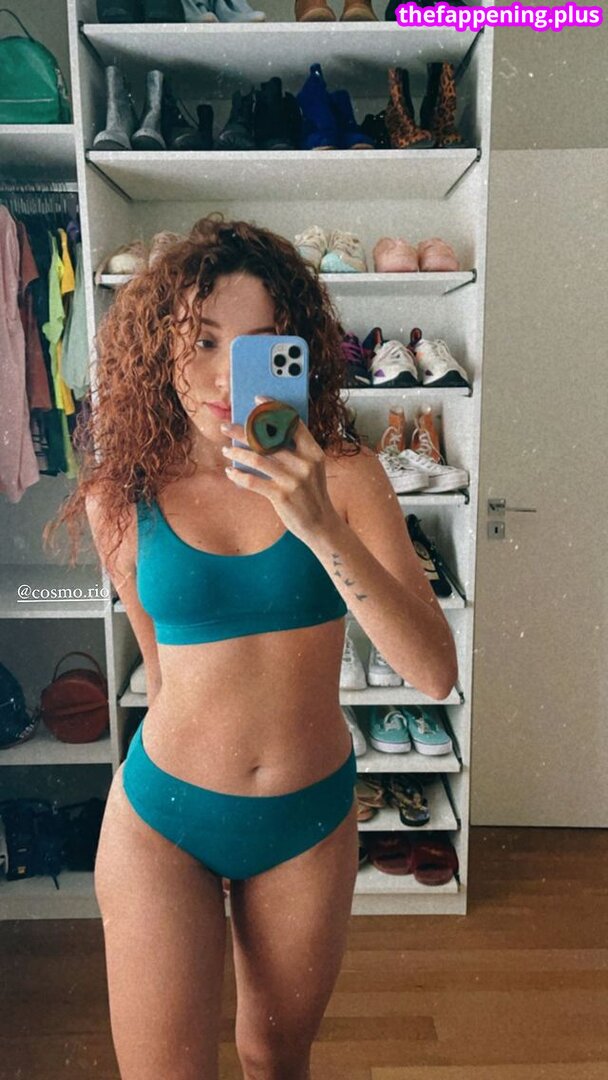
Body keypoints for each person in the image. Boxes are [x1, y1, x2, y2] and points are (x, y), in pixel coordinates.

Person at [44, 214, 458, 1080]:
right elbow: (161, 669)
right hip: (164, 818)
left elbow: (432, 671)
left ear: (294, 354)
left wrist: (316, 524)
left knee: (275, 1059)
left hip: (306, 820)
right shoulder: (124, 495)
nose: (224, 375)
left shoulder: (345, 475)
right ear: (159, 348)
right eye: (201, 340)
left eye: (259, 346)